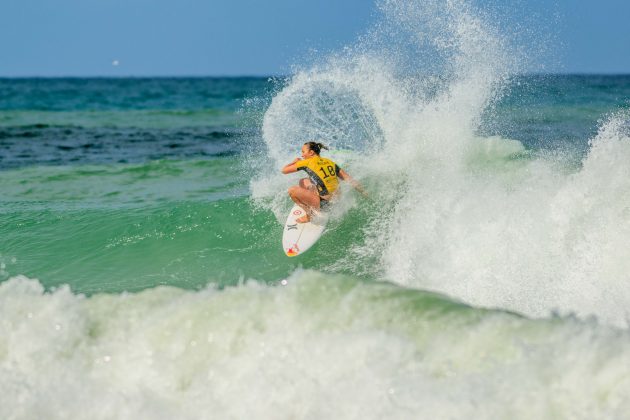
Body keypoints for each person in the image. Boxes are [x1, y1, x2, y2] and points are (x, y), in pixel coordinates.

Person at [281, 141, 367, 223]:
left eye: (303, 152)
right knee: (303, 181)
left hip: (325, 205)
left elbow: (284, 170)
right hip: (336, 201)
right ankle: (314, 201)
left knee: (292, 190)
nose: (302, 155)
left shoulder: (306, 162)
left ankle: (310, 215)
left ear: (311, 152)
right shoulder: (330, 162)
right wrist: (364, 192)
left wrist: (294, 162)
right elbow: (349, 179)